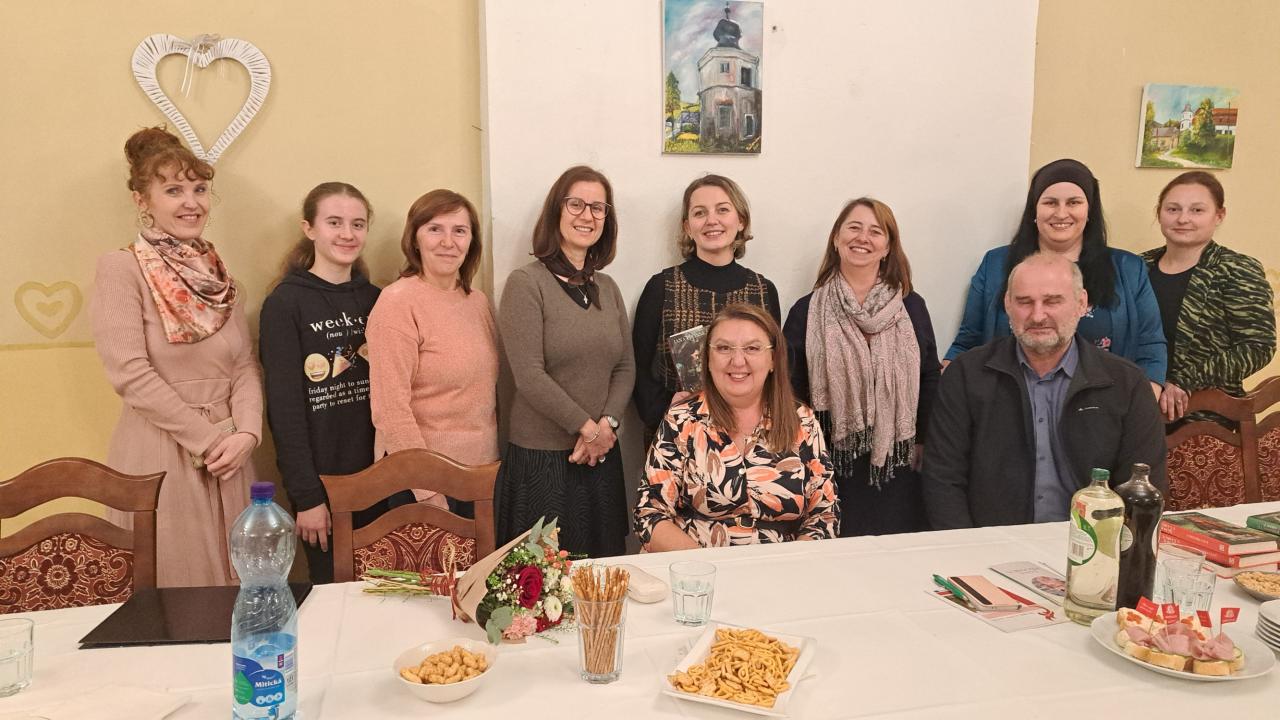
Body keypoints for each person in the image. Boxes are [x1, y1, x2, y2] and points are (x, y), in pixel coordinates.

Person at [92, 126, 262, 587]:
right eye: (173, 190)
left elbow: (244, 364)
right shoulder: (121, 268)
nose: (192, 203)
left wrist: (247, 433)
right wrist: (208, 441)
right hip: (164, 451)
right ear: (142, 200)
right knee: (178, 589)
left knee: (242, 590)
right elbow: (130, 373)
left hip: (232, 455)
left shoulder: (219, 277)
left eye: (199, 189)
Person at [923, 252, 1166, 529]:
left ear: (1081, 303)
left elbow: (1142, 488)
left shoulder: (1126, 383)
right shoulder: (966, 375)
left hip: (1095, 544)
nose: (1038, 316)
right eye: (1024, 302)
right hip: (991, 542)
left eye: (1052, 301)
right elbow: (942, 478)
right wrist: (969, 547)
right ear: (1007, 304)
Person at [496, 166, 635, 557]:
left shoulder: (607, 287)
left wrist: (606, 426)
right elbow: (529, 375)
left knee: (604, 577)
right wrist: (587, 429)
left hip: (601, 456)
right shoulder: (526, 283)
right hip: (542, 461)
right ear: (556, 211)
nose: (587, 215)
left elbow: (625, 367)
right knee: (542, 581)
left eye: (598, 207)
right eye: (576, 204)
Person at [260, 182, 394, 584]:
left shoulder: (379, 299)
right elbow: (284, 411)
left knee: (389, 591)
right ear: (309, 228)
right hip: (324, 488)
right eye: (334, 222)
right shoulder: (285, 303)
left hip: (383, 481)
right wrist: (307, 498)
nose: (347, 234)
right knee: (335, 596)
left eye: (358, 224)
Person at [783, 198, 940, 536]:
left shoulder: (911, 307)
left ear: (888, 247)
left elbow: (929, 376)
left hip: (897, 462)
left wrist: (923, 440)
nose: (863, 238)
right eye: (854, 227)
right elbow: (790, 388)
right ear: (836, 239)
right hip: (828, 461)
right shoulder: (806, 311)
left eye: (875, 231)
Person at [944, 158, 1166, 390]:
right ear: (1034, 210)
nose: (1061, 213)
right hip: (1008, 399)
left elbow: (1150, 347)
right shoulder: (996, 265)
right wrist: (949, 391)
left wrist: (1141, 405)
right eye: (1050, 203)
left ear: (1089, 210)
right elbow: (968, 341)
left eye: (1073, 202)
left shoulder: (1129, 269)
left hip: (1107, 402)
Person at [635, 304, 838, 549]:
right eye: (724, 348)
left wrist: (790, 564)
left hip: (781, 564)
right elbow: (649, 513)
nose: (738, 361)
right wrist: (706, 566)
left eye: (752, 348)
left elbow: (825, 514)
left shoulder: (801, 420)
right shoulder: (682, 419)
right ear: (707, 360)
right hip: (695, 563)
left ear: (773, 359)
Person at [367, 190, 499, 509]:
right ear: (415, 239)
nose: (448, 241)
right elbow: (390, 409)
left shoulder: (477, 302)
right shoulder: (397, 303)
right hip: (424, 484)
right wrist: (426, 489)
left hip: (480, 476)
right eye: (435, 229)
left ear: (471, 241)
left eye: (459, 231)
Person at [632, 175, 781, 442]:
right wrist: (666, 413)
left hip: (751, 436)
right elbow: (638, 367)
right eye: (700, 213)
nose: (712, 220)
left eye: (722, 210)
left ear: (741, 220)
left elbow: (774, 365)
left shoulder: (763, 290)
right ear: (688, 227)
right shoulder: (661, 287)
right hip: (676, 436)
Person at [1140, 171, 1276, 425]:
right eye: (1173, 209)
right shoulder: (1137, 267)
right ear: (1159, 213)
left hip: (1207, 422)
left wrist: (1185, 381)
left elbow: (1258, 347)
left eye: (1197, 210)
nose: (1183, 219)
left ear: (1219, 215)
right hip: (1136, 411)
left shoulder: (1237, 269)